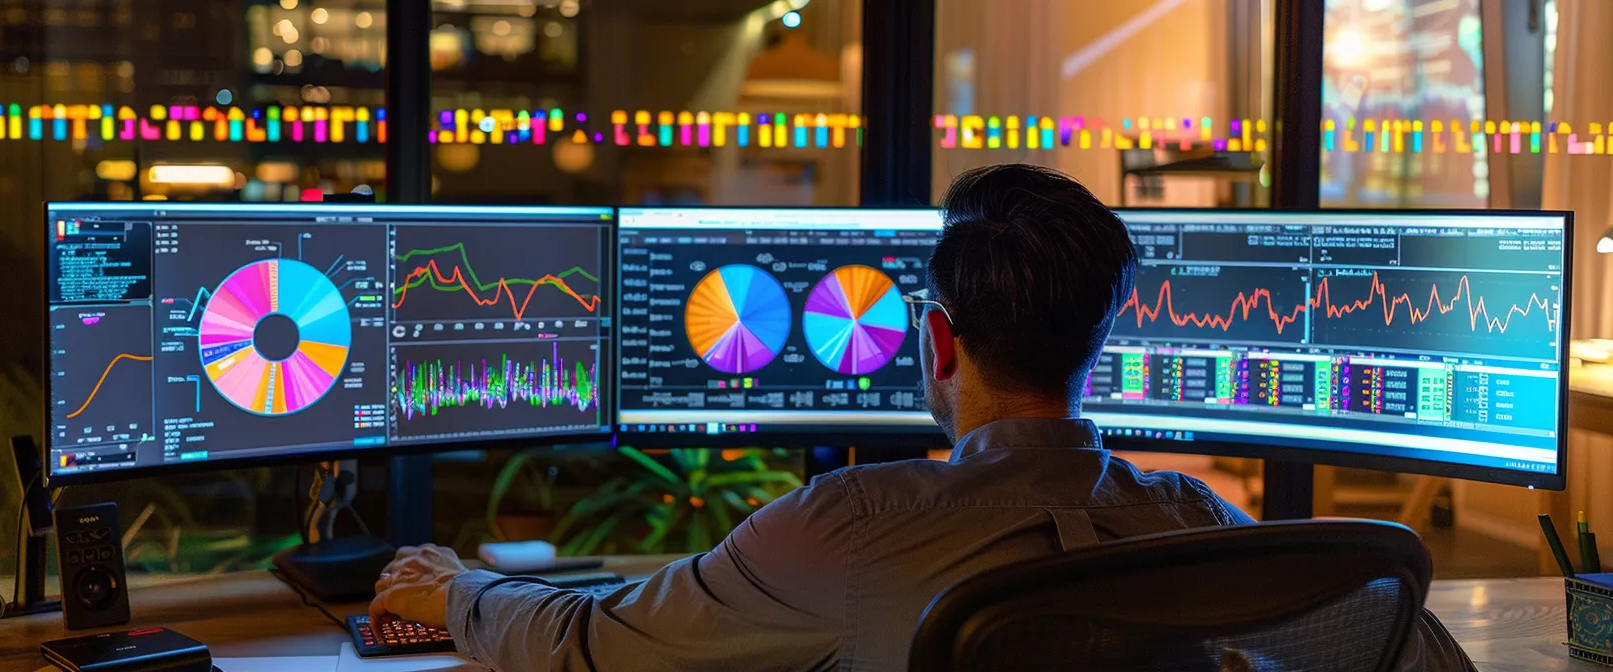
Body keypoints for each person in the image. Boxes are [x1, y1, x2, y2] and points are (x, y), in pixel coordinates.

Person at [371, 163, 1476, 671]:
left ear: (938, 343)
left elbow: (587, 645)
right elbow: (1412, 653)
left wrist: (455, 589)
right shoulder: (1190, 520)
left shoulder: (838, 527)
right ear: (1098, 338)